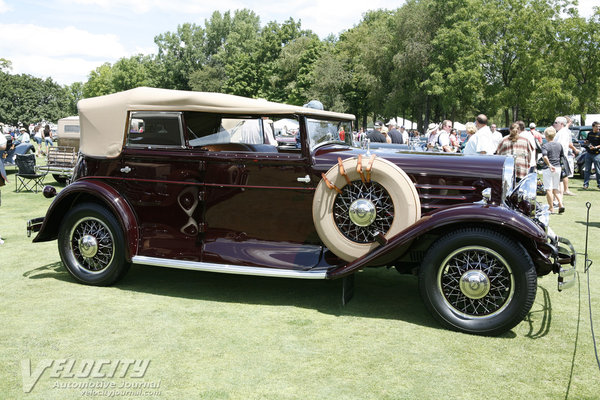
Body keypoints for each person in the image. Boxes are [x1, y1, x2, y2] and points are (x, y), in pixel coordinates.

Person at [541, 127, 565, 214]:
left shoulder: (545, 145)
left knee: (548, 189)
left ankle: (551, 208)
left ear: (546, 136)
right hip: (558, 167)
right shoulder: (559, 145)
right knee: (556, 188)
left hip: (549, 168)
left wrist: (549, 165)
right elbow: (561, 156)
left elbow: (545, 156)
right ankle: (561, 204)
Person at [553, 116, 579, 195]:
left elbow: (560, 145)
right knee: (561, 177)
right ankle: (562, 193)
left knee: (561, 176)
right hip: (560, 156)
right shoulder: (561, 132)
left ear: (561, 124)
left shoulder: (563, 132)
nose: (554, 124)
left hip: (560, 156)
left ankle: (562, 194)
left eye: (556, 123)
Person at [583, 121, 600, 189]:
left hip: (597, 154)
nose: (598, 128)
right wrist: (586, 142)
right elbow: (587, 141)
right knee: (587, 170)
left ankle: (599, 184)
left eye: (599, 126)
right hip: (589, 154)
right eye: (596, 126)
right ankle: (585, 184)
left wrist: (595, 147)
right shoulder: (589, 133)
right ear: (593, 127)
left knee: (598, 170)